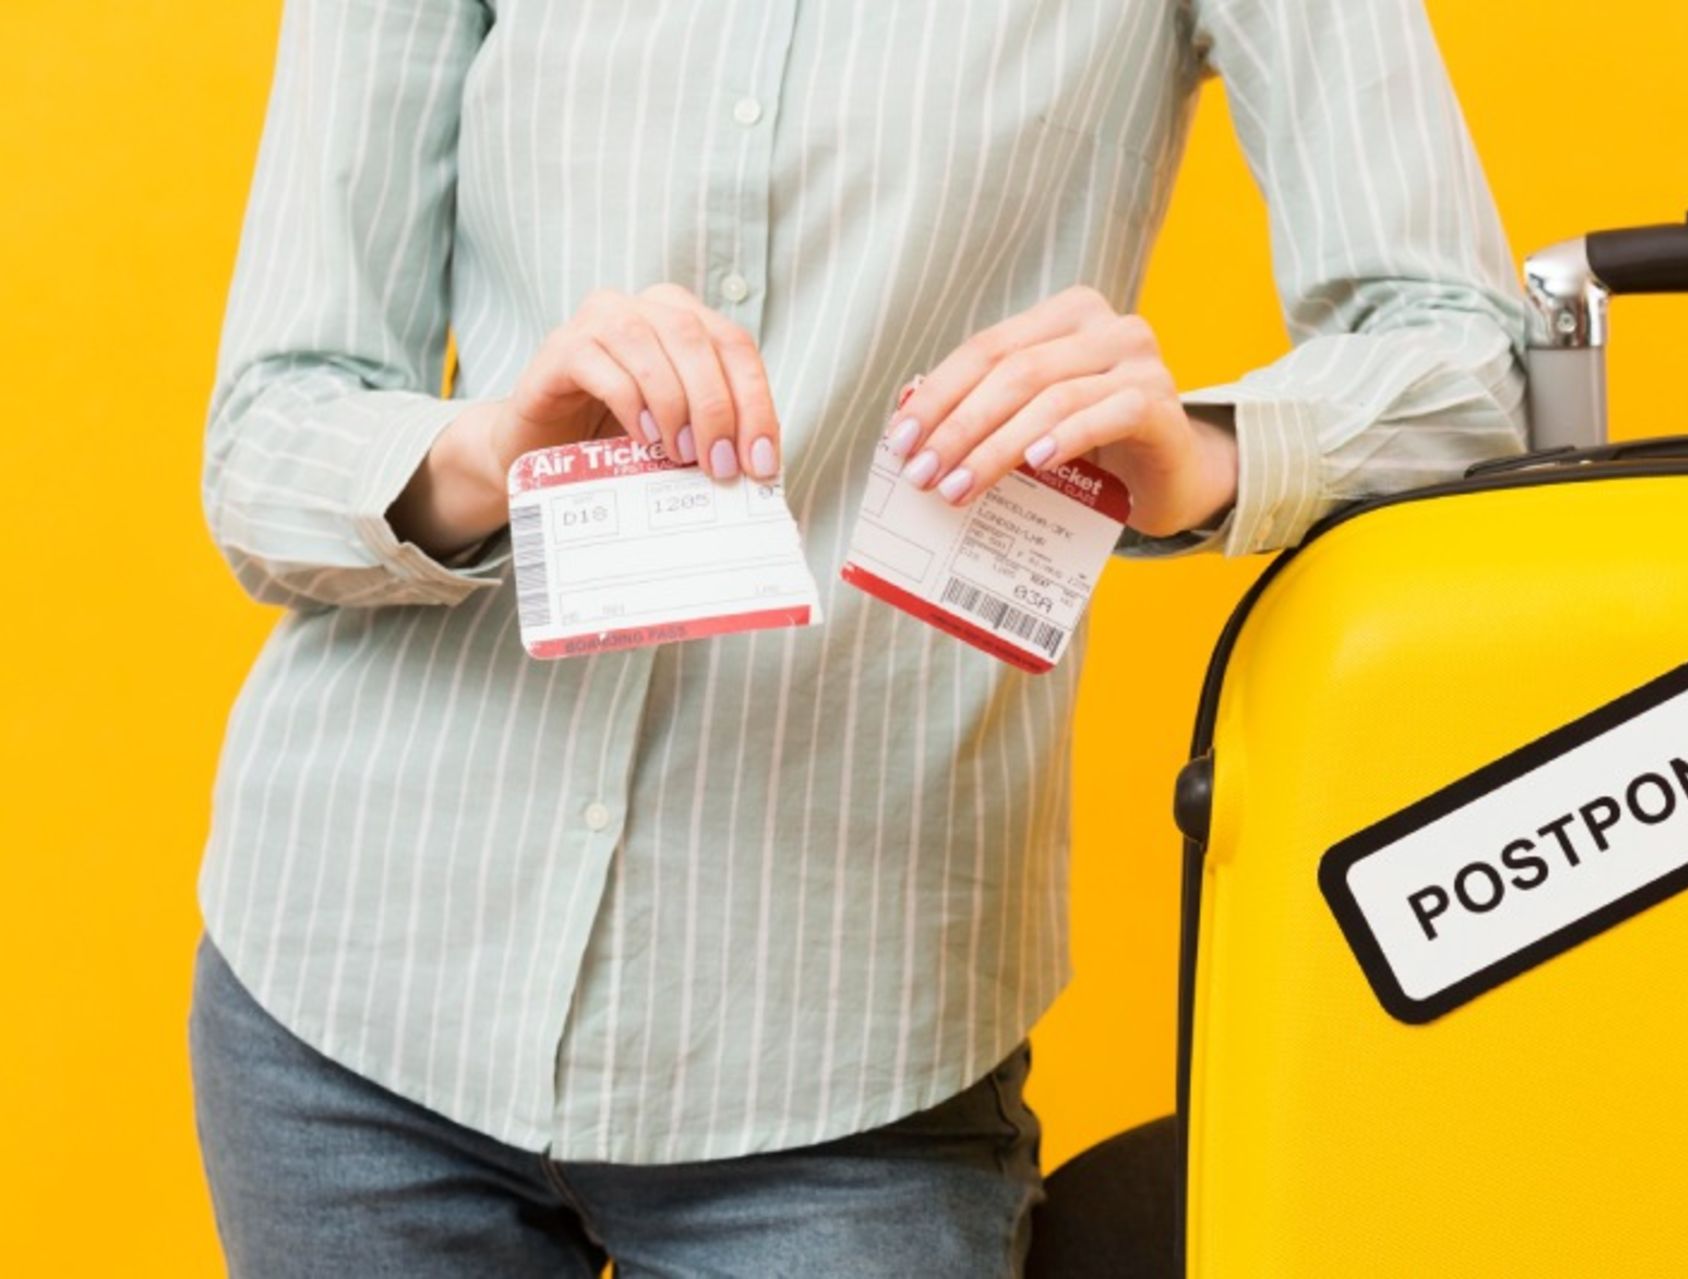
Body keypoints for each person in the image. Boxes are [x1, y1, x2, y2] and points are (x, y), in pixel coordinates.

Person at [188, 0, 1527, 1274]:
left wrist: (1208, 456)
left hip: (847, 1056)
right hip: (354, 983)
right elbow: (269, 436)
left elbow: (1473, 359)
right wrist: (487, 453)